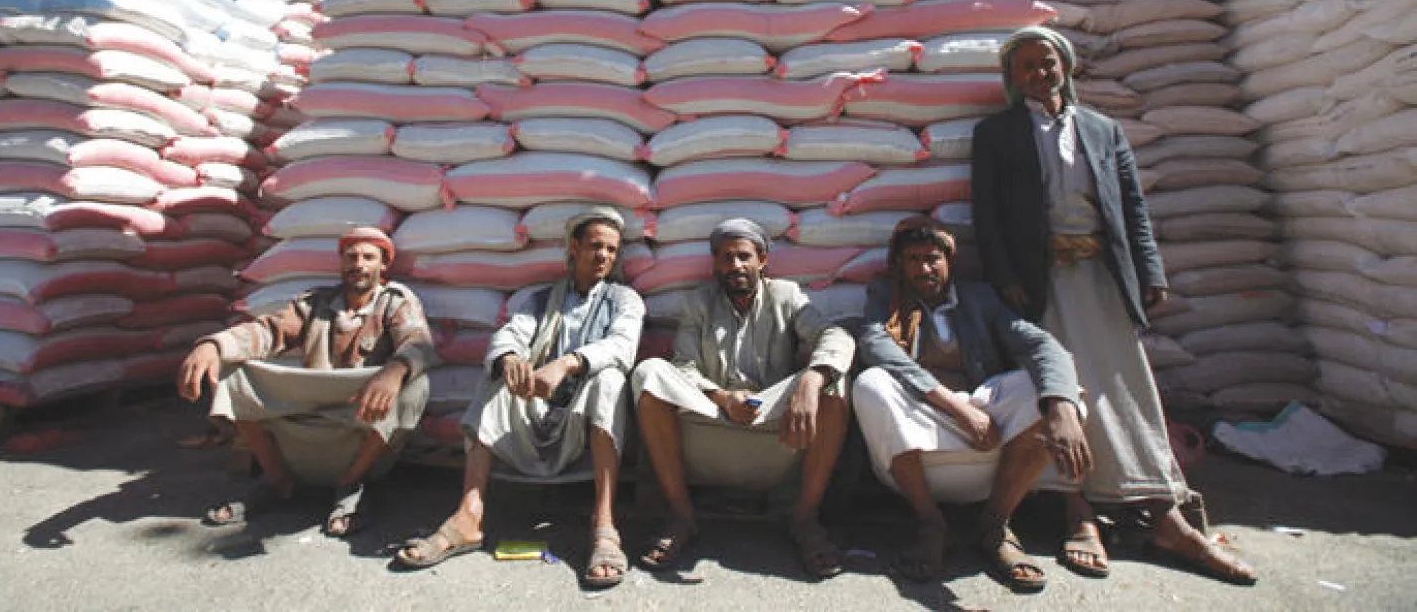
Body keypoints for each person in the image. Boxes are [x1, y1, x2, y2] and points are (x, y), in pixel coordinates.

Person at [971, 26, 1257, 584]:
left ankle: (1164, 515)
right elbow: (987, 215)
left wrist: (1150, 272)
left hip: (1101, 278)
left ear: (1066, 66)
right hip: (1042, 283)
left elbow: (1132, 207)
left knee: (1125, 391)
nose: (1039, 73)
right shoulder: (997, 134)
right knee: (1065, 390)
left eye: (1047, 62)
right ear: (1013, 78)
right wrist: (1005, 278)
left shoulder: (1102, 130)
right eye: (1026, 66)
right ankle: (1078, 514)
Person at [393, 207, 644, 590]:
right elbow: (511, 333)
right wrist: (510, 360)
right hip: (534, 414)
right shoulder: (539, 299)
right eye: (596, 246)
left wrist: (566, 364)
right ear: (574, 248)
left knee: (609, 379)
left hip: (582, 422)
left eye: (611, 250)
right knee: (495, 376)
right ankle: (469, 516)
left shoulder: (625, 299)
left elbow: (622, 346)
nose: (604, 256)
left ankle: (604, 523)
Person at [852, 218, 1090, 592]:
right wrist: (958, 410)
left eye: (932, 258)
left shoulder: (979, 297)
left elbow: (1039, 345)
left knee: (1052, 389)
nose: (923, 269)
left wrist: (1062, 407)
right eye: (912, 259)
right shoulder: (885, 295)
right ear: (898, 264)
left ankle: (995, 526)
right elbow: (876, 346)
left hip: (984, 416)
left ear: (950, 261)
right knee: (872, 383)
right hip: (924, 418)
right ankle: (932, 525)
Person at [177, 226, 437, 537]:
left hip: (360, 416)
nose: (358, 264)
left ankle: (351, 482)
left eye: (369, 257)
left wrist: (393, 373)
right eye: (351, 257)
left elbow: (418, 342)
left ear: (384, 265)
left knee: (416, 386)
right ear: (341, 262)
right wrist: (214, 345)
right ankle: (276, 478)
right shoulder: (315, 302)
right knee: (233, 372)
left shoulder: (396, 301)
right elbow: (269, 331)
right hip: (308, 413)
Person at [630, 218, 854, 579]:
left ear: (762, 260)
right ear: (715, 264)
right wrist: (723, 398)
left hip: (773, 425)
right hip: (712, 417)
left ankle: (805, 518)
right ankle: (681, 516)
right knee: (650, 373)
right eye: (726, 258)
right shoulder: (698, 303)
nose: (735, 265)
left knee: (834, 382)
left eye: (744, 256)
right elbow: (684, 365)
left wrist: (812, 379)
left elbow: (836, 336)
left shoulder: (786, 296)